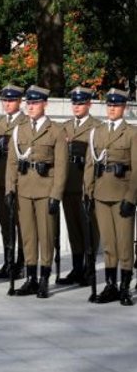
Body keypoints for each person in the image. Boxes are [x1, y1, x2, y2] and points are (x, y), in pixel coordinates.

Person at [5, 85, 68, 299]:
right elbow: (12, 163)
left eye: (35, 103)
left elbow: (61, 166)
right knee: (28, 235)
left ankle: (44, 279)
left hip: (45, 189)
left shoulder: (56, 130)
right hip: (23, 189)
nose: (30, 107)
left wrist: (56, 195)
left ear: (45, 104)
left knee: (46, 234)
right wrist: (10, 189)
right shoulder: (19, 129)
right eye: (29, 103)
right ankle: (30, 278)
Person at [84, 88, 137, 305]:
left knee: (124, 243)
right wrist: (88, 192)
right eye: (109, 105)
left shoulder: (131, 133)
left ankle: (125, 287)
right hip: (101, 194)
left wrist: (131, 198)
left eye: (116, 105)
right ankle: (111, 285)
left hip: (122, 194)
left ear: (124, 107)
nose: (112, 109)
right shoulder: (97, 132)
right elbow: (90, 165)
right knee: (108, 244)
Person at [57, 86, 100, 286]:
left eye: (81, 103)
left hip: (85, 184)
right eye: (74, 103)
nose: (76, 106)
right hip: (68, 184)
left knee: (88, 228)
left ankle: (89, 270)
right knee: (73, 228)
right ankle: (77, 268)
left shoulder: (97, 127)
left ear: (89, 104)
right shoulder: (64, 127)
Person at [0, 84, 28, 280]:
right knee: (5, 222)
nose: (7, 104)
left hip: (19, 180)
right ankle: (8, 261)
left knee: (21, 223)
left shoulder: (26, 122)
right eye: (4, 100)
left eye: (11, 100)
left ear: (19, 101)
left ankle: (22, 262)